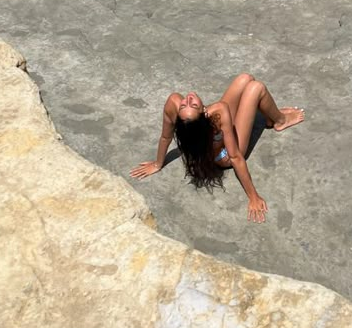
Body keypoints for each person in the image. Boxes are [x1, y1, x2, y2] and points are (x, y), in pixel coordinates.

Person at [130, 74, 304, 223]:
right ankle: (280, 121)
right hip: (225, 155)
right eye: (192, 105)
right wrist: (253, 196)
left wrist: (158, 164)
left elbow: (167, 137)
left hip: (217, 137)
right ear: (204, 114)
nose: (188, 99)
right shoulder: (217, 111)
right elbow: (235, 157)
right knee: (256, 88)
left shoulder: (175, 103)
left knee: (246, 79)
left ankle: (268, 116)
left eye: (187, 104)